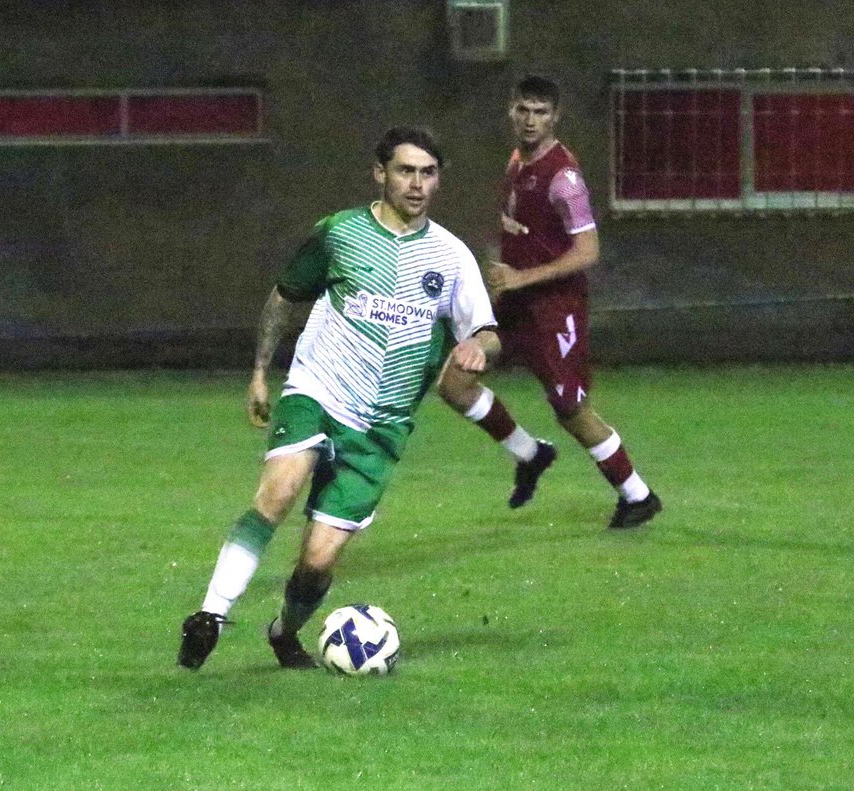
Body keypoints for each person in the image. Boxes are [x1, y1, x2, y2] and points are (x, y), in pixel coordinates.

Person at [178, 126, 500, 670]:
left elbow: (487, 329)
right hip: (319, 390)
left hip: (380, 428)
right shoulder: (339, 233)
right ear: (380, 174)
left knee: (317, 560)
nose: (417, 184)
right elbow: (284, 298)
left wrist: (477, 346)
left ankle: (284, 632)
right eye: (406, 170)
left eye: (428, 173)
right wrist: (260, 372)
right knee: (278, 493)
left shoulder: (451, 257)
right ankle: (210, 614)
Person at [437, 75, 660, 529]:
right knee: (455, 383)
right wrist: (500, 268)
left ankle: (638, 495)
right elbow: (522, 228)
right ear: (511, 111)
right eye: (524, 109)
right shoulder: (518, 161)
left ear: (555, 116)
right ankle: (531, 454)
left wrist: (522, 275)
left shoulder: (565, 179)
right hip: (515, 306)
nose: (531, 119)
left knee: (571, 410)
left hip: (555, 311)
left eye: (541, 112)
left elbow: (587, 252)